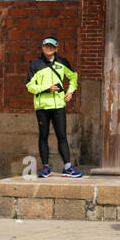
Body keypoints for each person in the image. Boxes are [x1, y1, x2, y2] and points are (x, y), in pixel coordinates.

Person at [25, 36, 81, 178]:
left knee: (62, 136)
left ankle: (68, 167)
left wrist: (70, 92)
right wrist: (46, 88)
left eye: (51, 46)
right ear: (42, 47)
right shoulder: (35, 64)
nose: (48, 48)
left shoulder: (63, 62)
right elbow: (29, 86)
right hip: (42, 106)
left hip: (58, 106)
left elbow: (73, 77)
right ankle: (45, 167)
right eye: (46, 46)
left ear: (57, 48)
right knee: (43, 136)